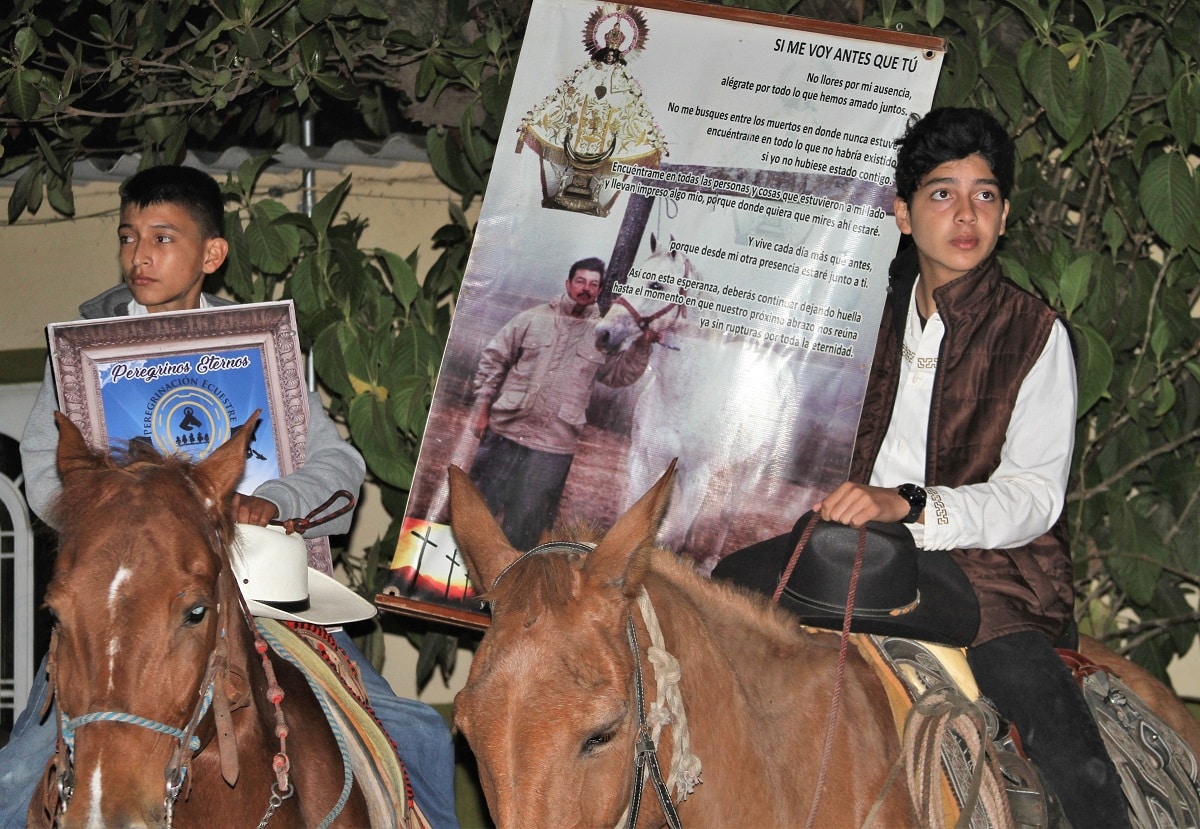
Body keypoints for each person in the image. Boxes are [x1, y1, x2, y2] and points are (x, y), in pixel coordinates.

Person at [2, 164, 461, 828]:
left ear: (211, 255)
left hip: (266, 590)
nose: (139, 255)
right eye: (129, 237)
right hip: (119, 615)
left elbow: (337, 459)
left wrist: (272, 497)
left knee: (415, 728)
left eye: (163, 238)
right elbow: (43, 466)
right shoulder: (77, 354)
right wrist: (102, 513)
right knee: (16, 771)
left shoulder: (260, 344)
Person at [714, 108, 1131, 827]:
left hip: (993, 576)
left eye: (986, 194)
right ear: (903, 214)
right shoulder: (862, 322)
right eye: (943, 193)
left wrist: (909, 504)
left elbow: (1034, 497)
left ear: (1004, 216)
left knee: (1070, 764)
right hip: (863, 556)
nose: (966, 213)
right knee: (719, 593)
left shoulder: (1036, 334)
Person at [468, 257, 653, 551]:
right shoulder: (533, 318)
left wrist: (642, 347)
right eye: (580, 281)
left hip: (552, 449)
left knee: (526, 532)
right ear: (568, 284)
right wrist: (482, 407)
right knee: (474, 519)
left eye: (594, 285)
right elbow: (494, 357)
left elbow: (618, 375)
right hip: (504, 434)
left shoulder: (601, 334)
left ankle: (509, 592)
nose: (586, 289)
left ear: (600, 291)